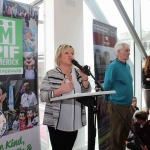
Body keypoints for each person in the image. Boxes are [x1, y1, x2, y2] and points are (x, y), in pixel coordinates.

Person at [40, 44, 91, 150]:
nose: (70, 55)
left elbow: (85, 91)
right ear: (59, 56)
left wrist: (85, 78)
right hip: (56, 123)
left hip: (74, 122)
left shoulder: (78, 73)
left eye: (72, 53)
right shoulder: (51, 74)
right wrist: (60, 91)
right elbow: (43, 96)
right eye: (66, 53)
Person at [103, 41, 133, 150]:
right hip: (117, 105)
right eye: (127, 50)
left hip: (128, 105)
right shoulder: (113, 66)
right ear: (119, 51)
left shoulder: (127, 66)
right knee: (116, 135)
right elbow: (107, 85)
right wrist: (109, 100)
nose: (129, 53)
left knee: (124, 134)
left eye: (129, 50)